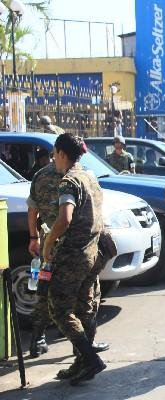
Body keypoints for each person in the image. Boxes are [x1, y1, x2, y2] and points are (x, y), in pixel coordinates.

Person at [26, 157, 109, 364]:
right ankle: (83, 348)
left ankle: (38, 339)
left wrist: (34, 238)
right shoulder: (82, 176)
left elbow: (32, 210)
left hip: (49, 245)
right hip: (74, 247)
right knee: (87, 295)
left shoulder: (40, 175)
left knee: (45, 291)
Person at [43, 133, 107, 385]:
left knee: (59, 309)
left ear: (61, 153)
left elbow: (65, 219)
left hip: (73, 255)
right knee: (83, 308)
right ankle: (82, 362)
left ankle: (90, 359)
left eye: (54, 155)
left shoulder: (69, 181)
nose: (53, 160)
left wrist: (48, 243)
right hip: (93, 253)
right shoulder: (89, 177)